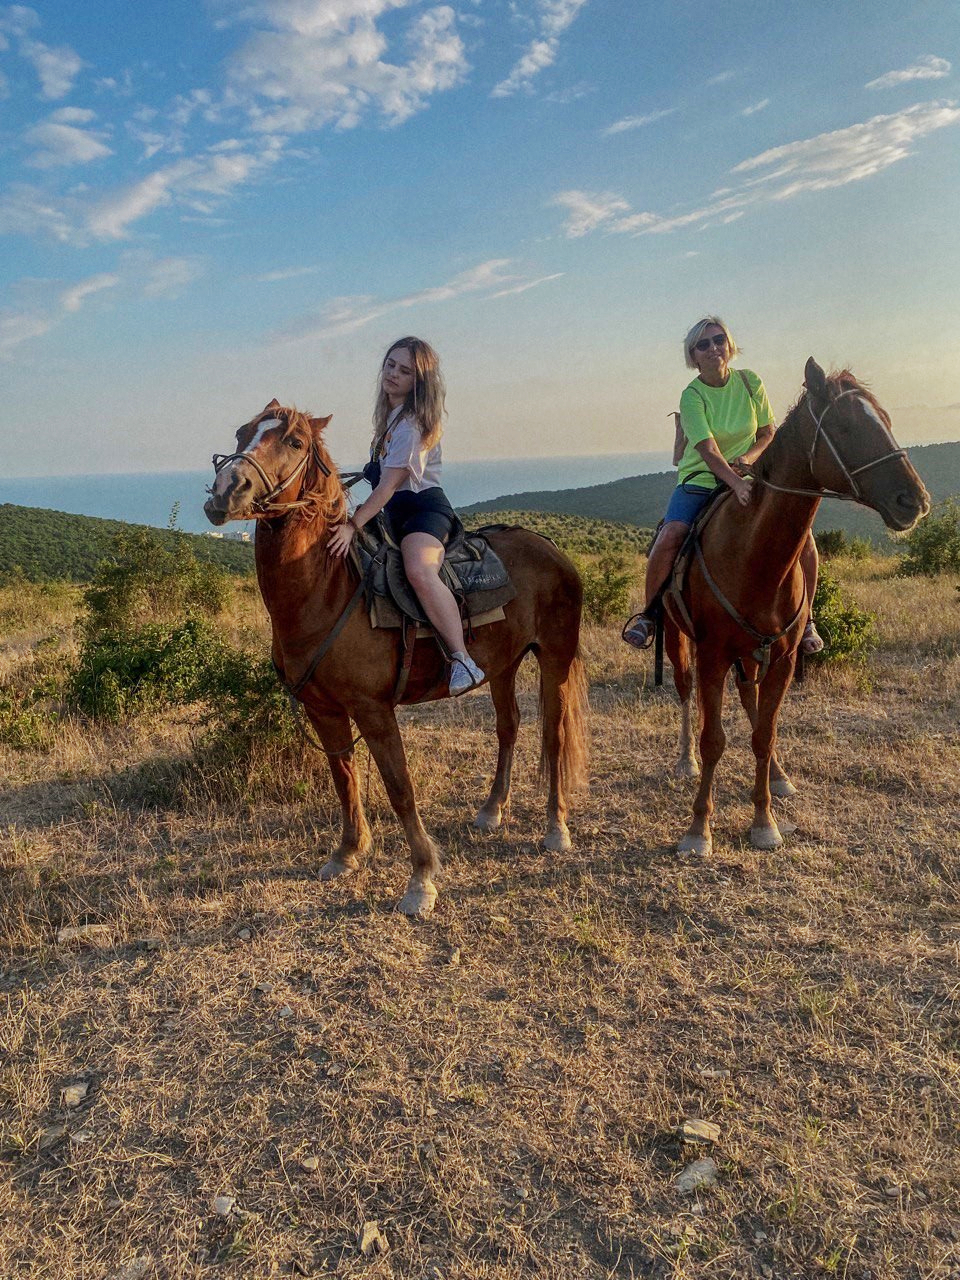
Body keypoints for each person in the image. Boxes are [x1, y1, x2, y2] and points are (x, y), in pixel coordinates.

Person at [623, 316, 824, 653]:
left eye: (718, 340)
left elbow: (768, 432)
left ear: (729, 345)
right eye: (704, 344)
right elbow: (708, 450)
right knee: (671, 534)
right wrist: (734, 482)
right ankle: (650, 615)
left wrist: (748, 461)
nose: (713, 348)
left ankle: (808, 620)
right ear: (693, 355)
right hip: (700, 478)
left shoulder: (750, 383)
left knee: (803, 540)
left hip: (751, 476)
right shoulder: (692, 396)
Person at [328, 336, 485, 695]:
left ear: (419, 381)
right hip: (394, 514)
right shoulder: (389, 422)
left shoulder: (412, 427)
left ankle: (463, 661)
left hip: (423, 511)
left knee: (418, 569)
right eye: (390, 365)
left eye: (404, 371)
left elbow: (386, 488)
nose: (393, 374)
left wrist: (352, 525)